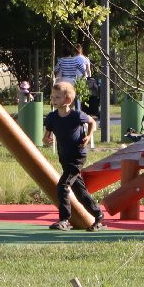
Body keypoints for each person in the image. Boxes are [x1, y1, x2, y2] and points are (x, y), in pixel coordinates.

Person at [42, 80, 105, 231]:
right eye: (52, 97)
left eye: (57, 97)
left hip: (77, 157)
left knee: (63, 186)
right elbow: (47, 135)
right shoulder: (51, 117)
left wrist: (89, 137)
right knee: (80, 192)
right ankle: (98, 216)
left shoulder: (77, 115)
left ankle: (64, 220)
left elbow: (92, 122)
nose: (53, 100)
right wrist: (46, 139)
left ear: (68, 100)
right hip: (64, 157)